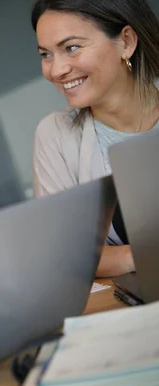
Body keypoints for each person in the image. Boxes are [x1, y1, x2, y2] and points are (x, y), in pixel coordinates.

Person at [31, 0, 159, 277]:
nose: (56, 70)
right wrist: (140, 256)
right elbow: (64, 253)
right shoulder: (55, 135)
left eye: (71, 48)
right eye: (46, 54)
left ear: (126, 41)